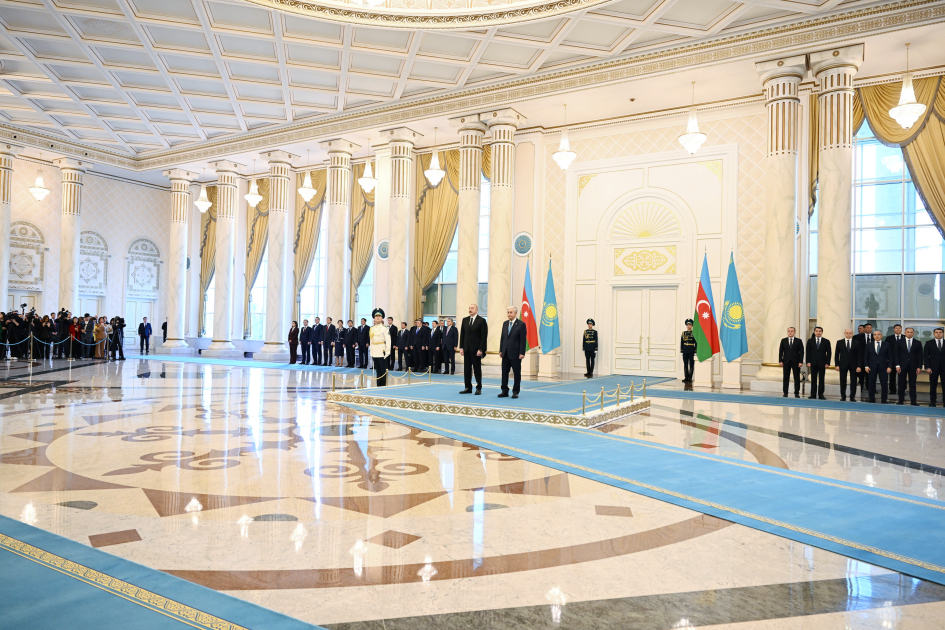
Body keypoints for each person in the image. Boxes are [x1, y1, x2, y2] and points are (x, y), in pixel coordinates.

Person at [499, 306, 527, 398]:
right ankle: (504, 390)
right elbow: (502, 338)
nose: (509, 314)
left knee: (516, 373)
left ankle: (515, 391)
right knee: (504, 373)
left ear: (515, 313)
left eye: (511, 312)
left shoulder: (521, 324)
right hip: (505, 353)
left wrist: (522, 352)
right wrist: (501, 350)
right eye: (508, 312)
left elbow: (523, 340)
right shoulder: (505, 324)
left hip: (515, 353)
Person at [459, 303, 488, 395]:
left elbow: (484, 336)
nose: (470, 309)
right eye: (469, 308)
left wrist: (481, 349)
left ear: (476, 310)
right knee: (467, 369)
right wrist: (461, 347)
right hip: (466, 349)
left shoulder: (482, 321)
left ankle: (478, 387)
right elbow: (462, 335)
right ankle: (468, 387)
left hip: (476, 350)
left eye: (472, 308)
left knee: (477, 369)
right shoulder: (465, 320)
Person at [895, 327, 923, 406]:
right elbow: (896, 354)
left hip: (913, 366)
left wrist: (919, 367)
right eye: (908, 332)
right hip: (901, 366)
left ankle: (913, 401)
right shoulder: (899, 342)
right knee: (901, 383)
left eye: (911, 332)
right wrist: (897, 365)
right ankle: (900, 400)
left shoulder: (918, 342)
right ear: (905, 333)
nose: (909, 333)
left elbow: (920, 356)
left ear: (913, 333)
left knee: (912, 384)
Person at [864, 330, 892, 403]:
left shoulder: (887, 344)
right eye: (875, 334)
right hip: (871, 367)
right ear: (873, 336)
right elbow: (866, 356)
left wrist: (890, 366)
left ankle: (884, 399)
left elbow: (890, 356)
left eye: (878, 334)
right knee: (871, 383)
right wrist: (866, 366)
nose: (877, 336)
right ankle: (871, 398)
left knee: (884, 384)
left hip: (884, 367)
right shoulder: (869, 345)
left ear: (881, 336)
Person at [834, 329, 860, 402]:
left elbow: (859, 355)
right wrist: (836, 365)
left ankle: (852, 397)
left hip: (854, 365)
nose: (848, 334)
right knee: (843, 381)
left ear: (852, 334)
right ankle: (843, 396)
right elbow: (836, 354)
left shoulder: (857, 342)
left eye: (850, 333)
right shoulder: (839, 342)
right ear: (844, 333)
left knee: (853, 381)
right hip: (843, 364)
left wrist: (859, 366)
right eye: (847, 333)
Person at [805, 326, 830, 400]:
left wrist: (827, 363)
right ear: (814, 332)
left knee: (821, 379)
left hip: (822, 363)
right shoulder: (810, 341)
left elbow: (829, 353)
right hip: (813, 363)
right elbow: (808, 352)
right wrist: (808, 362)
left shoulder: (826, 341)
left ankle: (821, 394)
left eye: (820, 331)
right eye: (817, 331)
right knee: (813, 379)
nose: (818, 332)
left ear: (822, 332)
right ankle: (813, 394)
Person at [369, 308, 392, 386]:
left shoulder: (385, 328)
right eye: (376, 316)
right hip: (374, 351)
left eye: (379, 316)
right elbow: (371, 341)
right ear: (374, 318)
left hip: (382, 352)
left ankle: (383, 386)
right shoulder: (372, 328)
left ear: (382, 318)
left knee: (383, 370)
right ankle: (378, 385)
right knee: (377, 370)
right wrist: (371, 351)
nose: (378, 317)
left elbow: (388, 341)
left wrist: (387, 351)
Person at [778, 327, 804, 398]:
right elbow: (781, 351)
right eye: (789, 331)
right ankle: (785, 392)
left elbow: (802, 352)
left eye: (792, 331)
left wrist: (801, 362)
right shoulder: (783, 340)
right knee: (786, 377)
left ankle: (797, 393)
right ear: (787, 332)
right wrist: (780, 360)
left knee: (797, 378)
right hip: (786, 362)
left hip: (796, 362)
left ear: (794, 332)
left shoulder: (799, 341)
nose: (790, 332)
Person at [925, 328, 945, 407]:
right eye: (936, 332)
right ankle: (933, 401)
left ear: (943, 333)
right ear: (934, 334)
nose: (938, 334)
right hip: (933, 368)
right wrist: (927, 367)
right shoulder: (929, 343)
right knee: (933, 385)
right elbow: (926, 356)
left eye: (940, 332)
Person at [885, 324, 904, 396]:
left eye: (899, 328)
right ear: (894, 330)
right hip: (892, 360)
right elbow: (886, 349)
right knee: (892, 376)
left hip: (902, 360)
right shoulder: (889, 338)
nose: (898, 329)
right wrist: (887, 358)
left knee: (902, 376)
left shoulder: (904, 337)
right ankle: (892, 390)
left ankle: (902, 390)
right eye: (896, 328)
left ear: (901, 329)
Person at [858, 323, 874, 390]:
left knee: (871, 375)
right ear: (864, 329)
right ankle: (860, 388)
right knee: (861, 375)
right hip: (861, 359)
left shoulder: (874, 336)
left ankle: (870, 388)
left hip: (872, 359)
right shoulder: (858, 337)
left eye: (870, 328)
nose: (869, 329)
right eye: (867, 328)